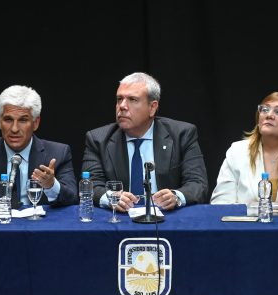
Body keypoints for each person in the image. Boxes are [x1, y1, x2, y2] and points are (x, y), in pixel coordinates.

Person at [82, 72, 208, 212]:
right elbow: (90, 184)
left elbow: (198, 184)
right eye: (119, 99)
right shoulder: (98, 139)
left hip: (167, 219)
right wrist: (110, 197)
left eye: (132, 99)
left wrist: (175, 196)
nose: (122, 106)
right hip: (120, 219)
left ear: (152, 107)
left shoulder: (182, 134)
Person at [0, 85, 77, 208]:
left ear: (36, 123)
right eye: (8, 120)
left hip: (39, 225)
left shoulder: (58, 153)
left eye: (23, 120)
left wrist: (51, 185)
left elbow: (72, 198)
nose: (14, 129)